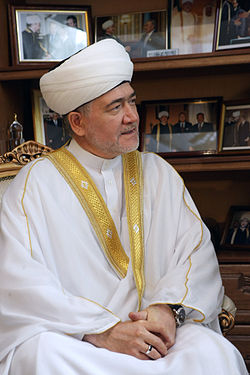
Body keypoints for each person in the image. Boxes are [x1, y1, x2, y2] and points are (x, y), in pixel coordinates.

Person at [0, 39, 247, 375]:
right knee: (42, 354)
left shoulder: (158, 172)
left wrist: (166, 309)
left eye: (132, 101)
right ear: (78, 122)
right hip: (78, 339)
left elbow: (194, 251)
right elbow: (18, 282)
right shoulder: (35, 184)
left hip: (156, 333)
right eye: (115, 107)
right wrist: (103, 331)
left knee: (212, 352)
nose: (132, 117)